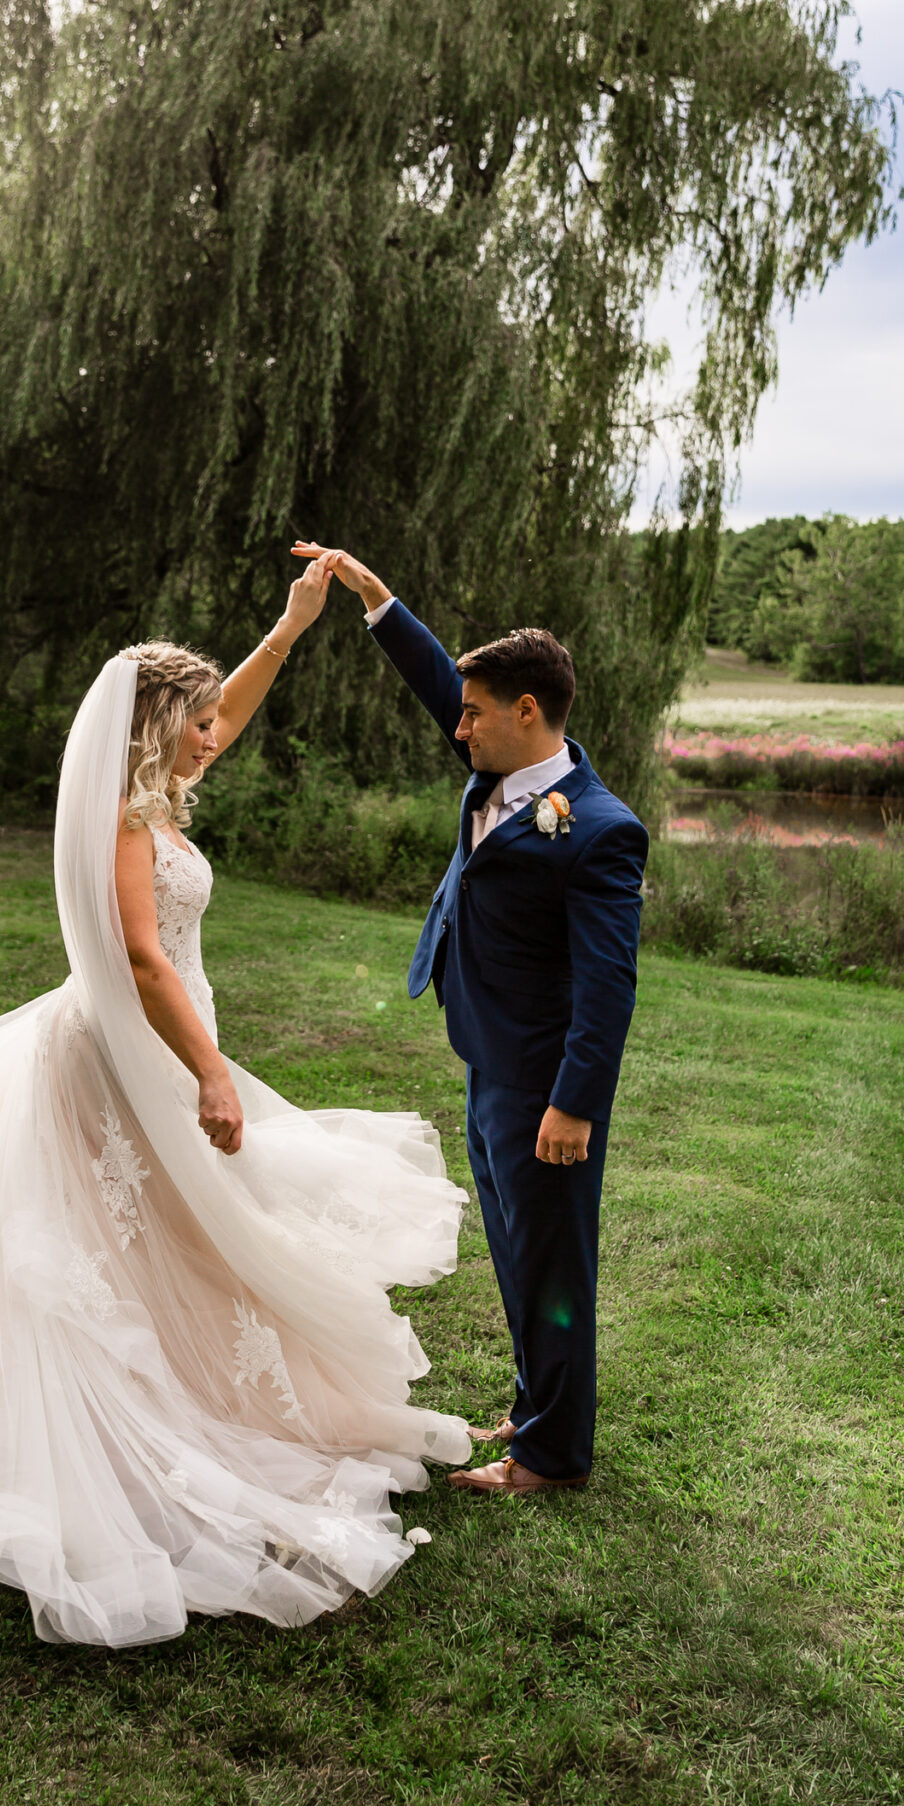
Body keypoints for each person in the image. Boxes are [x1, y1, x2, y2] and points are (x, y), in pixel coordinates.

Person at [0, 553, 471, 1648]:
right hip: (130, 1046)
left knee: (157, 1235)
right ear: (158, 725)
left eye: (210, 722)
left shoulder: (152, 797)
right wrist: (207, 1069)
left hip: (144, 1037)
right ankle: (113, 1429)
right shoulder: (123, 826)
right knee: (122, 1238)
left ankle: (184, 1385)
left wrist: (289, 631)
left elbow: (227, 719)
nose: (214, 736)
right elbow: (147, 963)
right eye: (195, 723)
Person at [294, 544, 648, 1496]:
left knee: (553, 1265)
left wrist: (573, 1105)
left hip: (542, 1080)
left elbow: (607, 985)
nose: (458, 727)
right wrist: (376, 602)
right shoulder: (502, 772)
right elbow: (437, 683)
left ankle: (550, 1456)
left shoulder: (599, 829)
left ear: (526, 712)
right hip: (487, 1057)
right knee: (516, 1250)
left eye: (476, 712)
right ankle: (537, 1407)